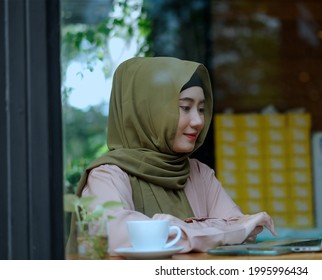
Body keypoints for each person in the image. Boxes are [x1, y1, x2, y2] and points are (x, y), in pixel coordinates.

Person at [70, 56, 276, 256]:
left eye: (202, 109)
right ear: (147, 112)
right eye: (185, 108)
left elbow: (244, 232)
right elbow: (118, 236)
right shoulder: (106, 176)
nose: (198, 121)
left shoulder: (198, 173)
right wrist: (214, 230)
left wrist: (177, 230)